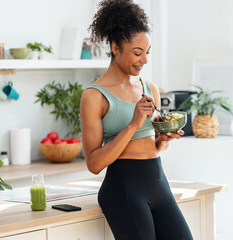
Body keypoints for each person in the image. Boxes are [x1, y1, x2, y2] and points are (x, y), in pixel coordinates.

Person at [80, 0, 193, 239]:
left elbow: (154, 146)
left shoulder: (149, 87)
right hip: (123, 188)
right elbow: (94, 164)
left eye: (147, 53)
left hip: (158, 181)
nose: (144, 60)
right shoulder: (94, 96)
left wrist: (164, 138)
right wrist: (133, 124)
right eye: (138, 53)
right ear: (116, 48)